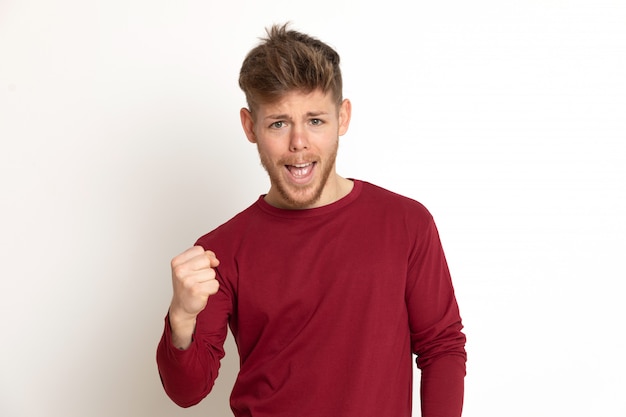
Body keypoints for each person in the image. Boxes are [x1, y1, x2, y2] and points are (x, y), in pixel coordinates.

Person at [156, 23, 467, 417]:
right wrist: (181, 316)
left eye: (315, 120)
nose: (298, 142)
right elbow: (188, 391)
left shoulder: (406, 224)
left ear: (343, 117)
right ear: (251, 127)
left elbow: (441, 346)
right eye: (279, 123)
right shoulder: (221, 250)